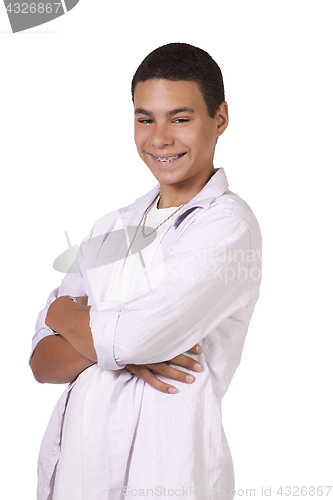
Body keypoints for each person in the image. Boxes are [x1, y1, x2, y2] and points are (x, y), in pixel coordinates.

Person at [30, 42, 262, 500]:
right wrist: (114, 338)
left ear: (219, 119)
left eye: (180, 118)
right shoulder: (111, 228)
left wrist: (64, 316)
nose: (159, 138)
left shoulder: (227, 226)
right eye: (144, 118)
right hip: (79, 473)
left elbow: (135, 338)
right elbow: (42, 362)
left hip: (168, 472)